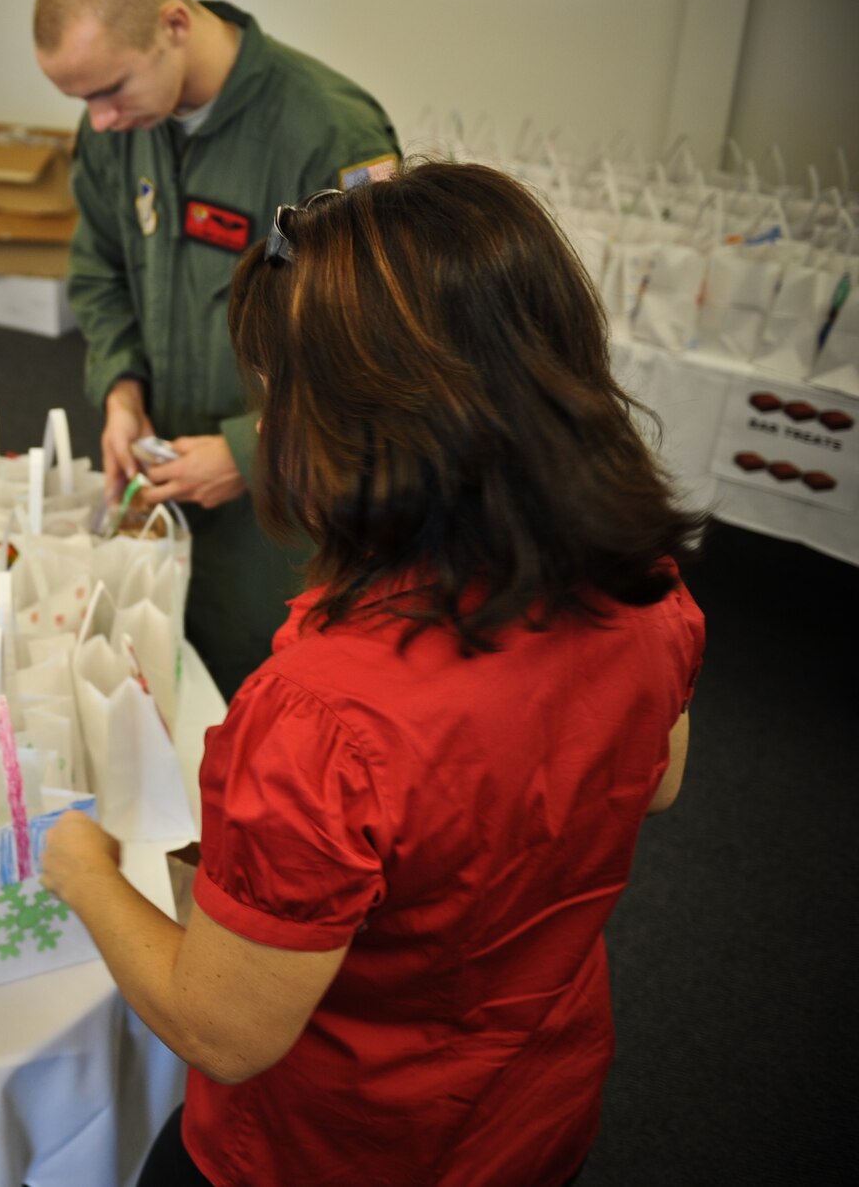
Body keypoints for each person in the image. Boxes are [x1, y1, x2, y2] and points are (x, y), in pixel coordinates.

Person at [40, 162, 707, 1187]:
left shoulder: (321, 719)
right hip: (531, 1096)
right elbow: (649, 783)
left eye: (276, 396)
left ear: (377, 431)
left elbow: (222, 1030)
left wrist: (79, 863)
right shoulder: (644, 586)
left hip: (337, 1146)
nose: (264, 429)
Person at [33, 0, 400, 697]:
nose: (97, 120)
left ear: (174, 24)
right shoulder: (116, 125)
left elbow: (376, 346)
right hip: (165, 478)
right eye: (79, 100)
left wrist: (250, 449)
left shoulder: (332, 133)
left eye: (109, 91)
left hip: (290, 507)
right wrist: (121, 387)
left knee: (268, 700)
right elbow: (99, 268)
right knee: (161, 682)